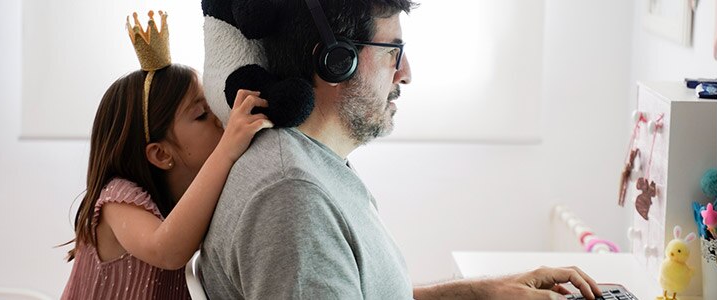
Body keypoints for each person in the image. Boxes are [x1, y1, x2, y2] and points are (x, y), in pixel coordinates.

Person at [199, 1, 603, 299]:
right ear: (335, 61)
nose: (405, 73)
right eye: (393, 51)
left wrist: (489, 291)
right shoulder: (293, 197)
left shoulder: (312, 165)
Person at [61, 11, 272, 299]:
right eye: (201, 114)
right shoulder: (117, 200)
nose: (220, 119)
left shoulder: (187, 200)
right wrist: (226, 151)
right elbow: (167, 250)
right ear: (160, 154)